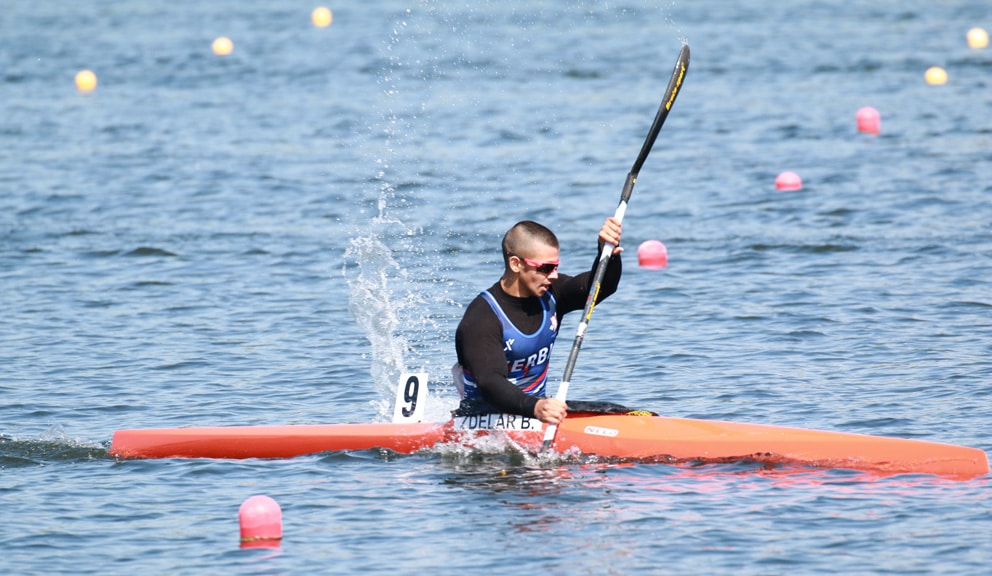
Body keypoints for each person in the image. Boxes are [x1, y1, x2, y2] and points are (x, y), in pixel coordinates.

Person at [453, 217, 623, 425]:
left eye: (556, 267)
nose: (553, 275)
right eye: (545, 268)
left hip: (537, 411)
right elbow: (490, 382)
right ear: (515, 264)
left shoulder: (552, 293)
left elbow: (596, 288)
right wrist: (535, 407)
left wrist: (608, 253)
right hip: (482, 418)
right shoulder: (482, 318)